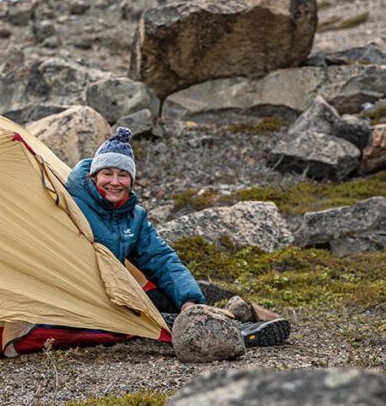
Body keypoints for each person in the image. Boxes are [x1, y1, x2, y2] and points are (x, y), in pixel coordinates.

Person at [66, 126, 290, 348]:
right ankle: (223, 330)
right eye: (107, 173)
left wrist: (188, 301)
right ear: (94, 176)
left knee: (169, 295)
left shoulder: (133, 217)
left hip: (115, 291)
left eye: (123, 175)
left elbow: (161, 258)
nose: (115, 182)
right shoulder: (73, 204)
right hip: (80, 295)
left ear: (131, 181)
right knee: (141, 317)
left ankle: (214, 316)